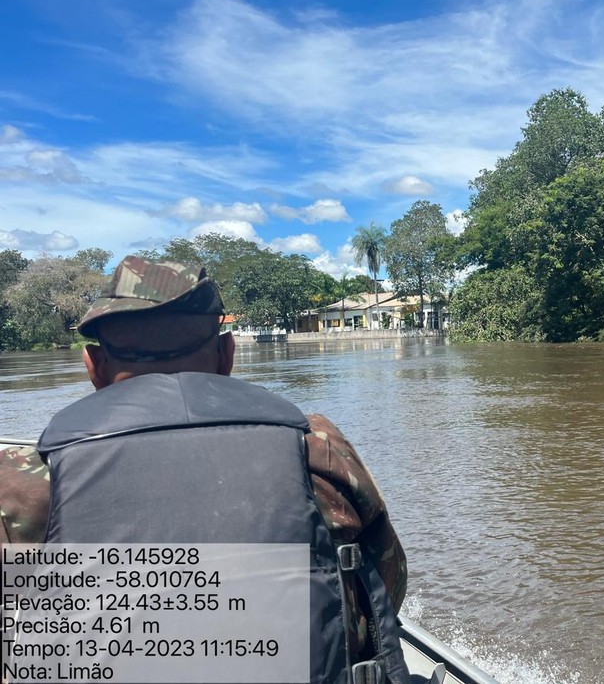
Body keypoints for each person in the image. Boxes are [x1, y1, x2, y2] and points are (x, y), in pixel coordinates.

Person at [0, 255, 411, 684]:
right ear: (227, 353)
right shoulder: (315, 446)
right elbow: (387, 584)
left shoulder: (23, 479)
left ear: (94, 366)